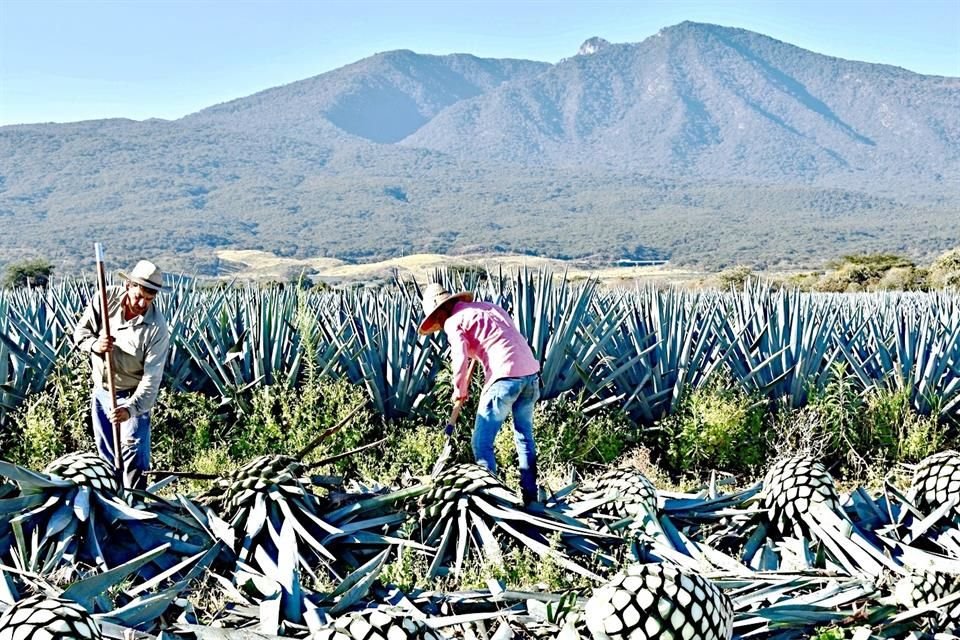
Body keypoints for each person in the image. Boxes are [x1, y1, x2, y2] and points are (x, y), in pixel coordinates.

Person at [418, 283, 541, 505]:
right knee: (524, 436)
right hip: (531, 375)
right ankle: (531, 499)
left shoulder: (454, 322)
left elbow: (459, 358)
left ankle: (494, 502)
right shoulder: (489, 308)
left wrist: (459, 390)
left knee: (481, 443)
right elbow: (504, 338)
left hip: (504, 378)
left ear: (441, 311)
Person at [73, 260, 170, 491]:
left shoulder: (157, 328)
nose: (142, 303)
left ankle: (135, 503)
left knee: (134, 454)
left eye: (149, 299)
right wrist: (95, 345)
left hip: (132, 395)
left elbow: (151, 379)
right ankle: (111, 501)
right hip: (102, 391)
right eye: (139, 295)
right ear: (128, 285)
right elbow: (80, 333)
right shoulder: (105, 300)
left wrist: (130, 409)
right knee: (106, 453)